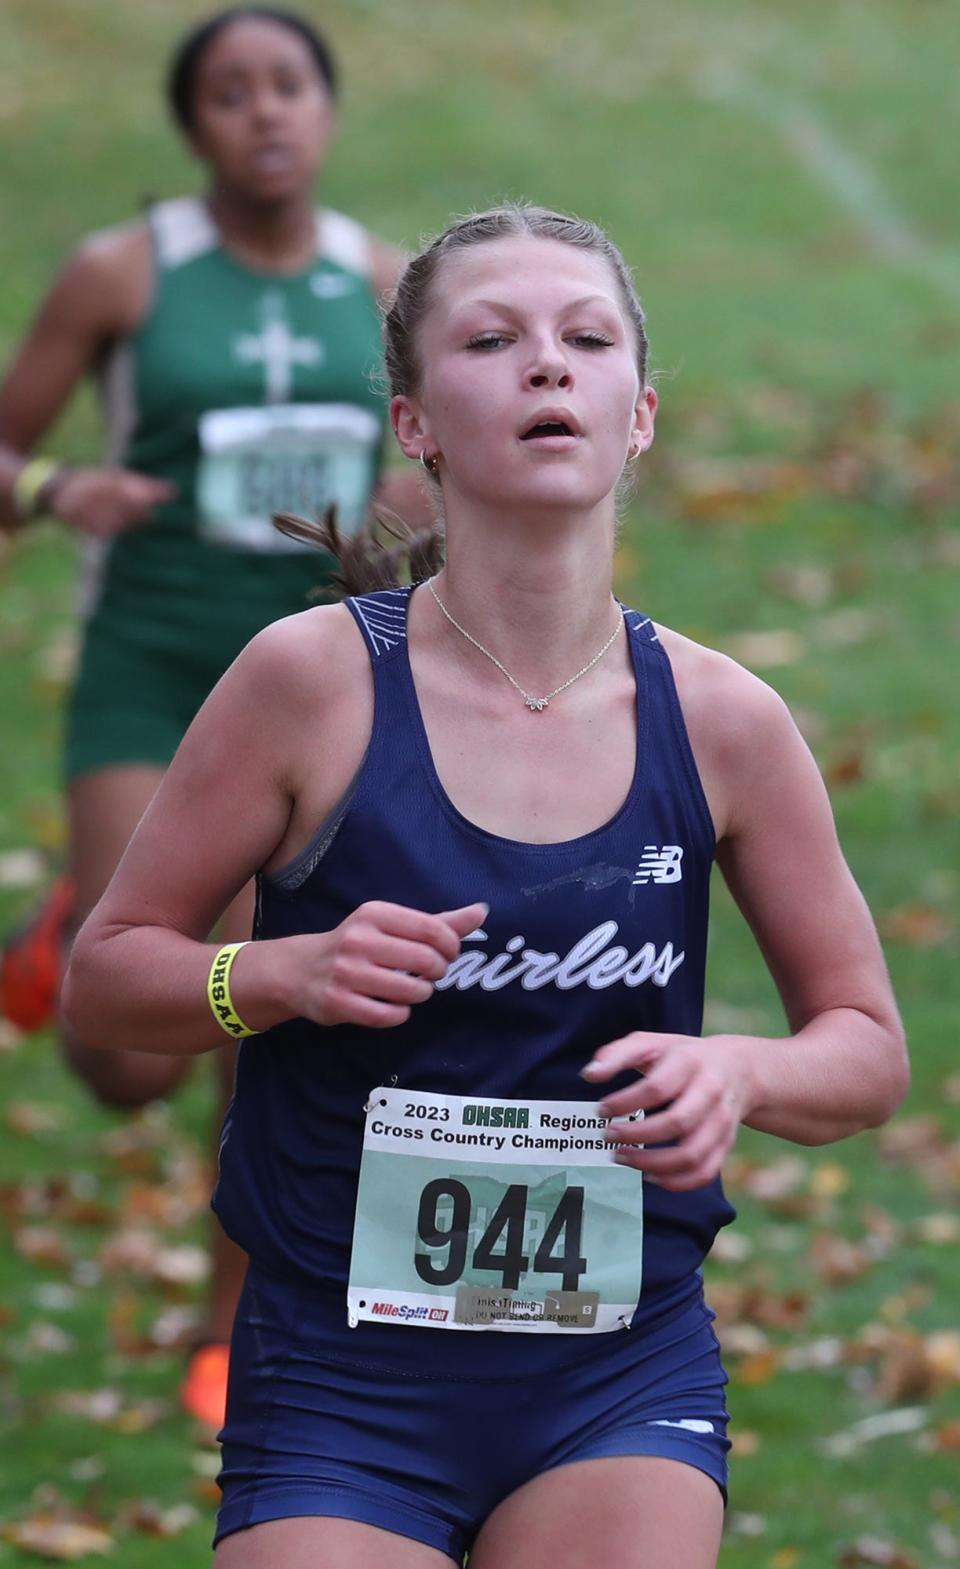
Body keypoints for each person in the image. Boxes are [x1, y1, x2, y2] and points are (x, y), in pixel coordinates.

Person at [64, 203, 908, 1569]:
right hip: (341, 1378)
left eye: (585, 339)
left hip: (614, 1373)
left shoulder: (723, 719)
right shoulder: (307, 683)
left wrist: (740, 1074)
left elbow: (868, 1052)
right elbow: (109, 975)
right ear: (415, 423)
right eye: (492, 338)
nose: (545, 366)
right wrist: (274, 973)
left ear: (636, 414)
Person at [0, 5, 426, 1424]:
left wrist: (409, 519)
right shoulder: (123, 274)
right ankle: (67, 932)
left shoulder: (380, 279)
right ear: (194, 127)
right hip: (156, 664)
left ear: (327, 109)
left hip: (316, 686)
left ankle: (229, 1312)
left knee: (256, 1006)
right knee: (126, 1059)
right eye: (232, 93)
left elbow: (435, 449)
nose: (265, 115)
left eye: (288, 86)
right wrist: (60, 492)